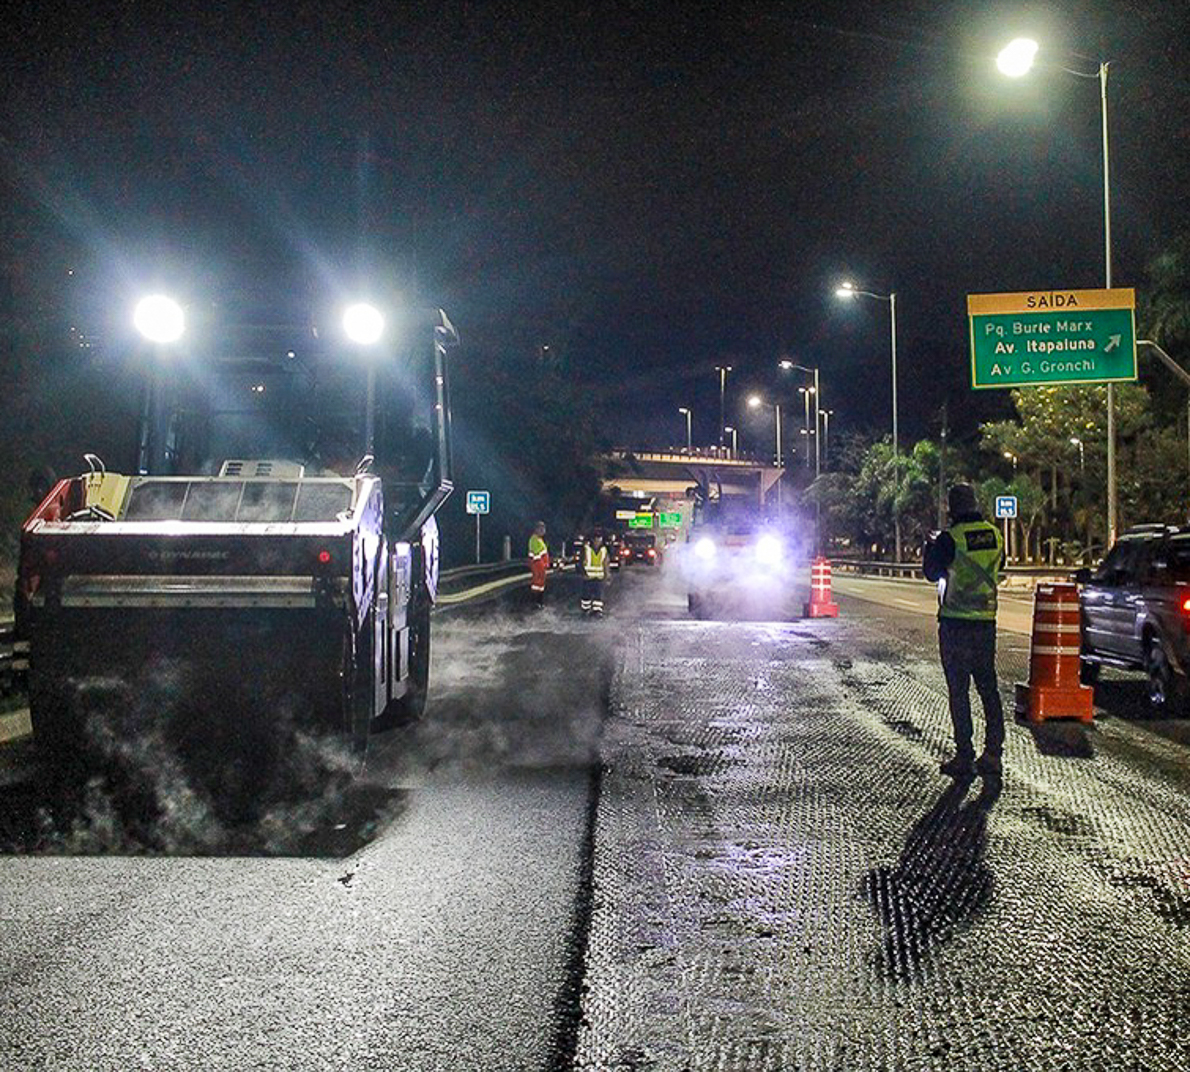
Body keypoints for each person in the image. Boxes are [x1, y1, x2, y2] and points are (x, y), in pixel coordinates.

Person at [922, 483, 1006, 783]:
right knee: (988, 688)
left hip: (956, 623)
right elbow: (1000, 567)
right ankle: (994, 753)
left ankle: (964, 754)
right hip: (986, 623)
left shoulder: (950, 539)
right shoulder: (996, 535)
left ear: (952, 507)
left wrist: (930, 547)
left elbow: (932, 572)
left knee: (959, 692)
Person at [581, 530, 610, 616]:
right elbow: (581, 562)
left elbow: (605, 563)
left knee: (598, 596)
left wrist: (607, 575)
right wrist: (583, 573)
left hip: (599, 578)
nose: (598, 541)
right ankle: (586, 610)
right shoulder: (586, 549)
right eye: (597, 539)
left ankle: (597, 611)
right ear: (593, 540)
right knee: (586, 596)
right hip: (588, 577)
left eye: (600, 539)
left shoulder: (604, 550)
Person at [528, 521, 549, 608]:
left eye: (544, 529)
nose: (543, 530)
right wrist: (542, 566)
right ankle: (536, 602)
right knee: (537, 584)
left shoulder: (539, 539)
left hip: (540, 566)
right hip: (537, 565)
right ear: (536, 529)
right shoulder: (534, 539)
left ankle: (539, 602)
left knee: (540, 585)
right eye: (541, 529)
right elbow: (537, 555)